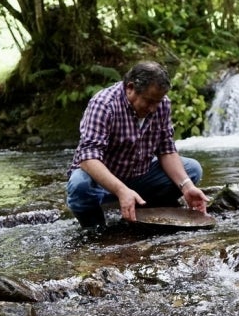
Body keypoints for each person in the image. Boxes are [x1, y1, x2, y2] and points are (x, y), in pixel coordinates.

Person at [66, 61, 208, 228]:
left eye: (158, 101)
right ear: (130, 88)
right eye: (149, 101)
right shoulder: (104, 104)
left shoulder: (161, 104)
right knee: (79, 185)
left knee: (192, 170)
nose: (154, 108)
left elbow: (166, 150)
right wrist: (121, 191)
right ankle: (95, 228)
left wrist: (187, 187)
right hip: (102, 184)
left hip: (139, 177)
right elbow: (88, 158)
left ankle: (145, 211)